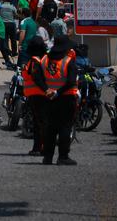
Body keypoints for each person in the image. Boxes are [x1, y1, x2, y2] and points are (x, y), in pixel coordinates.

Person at [30, 35, 78, 165]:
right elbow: (71, 82)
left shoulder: (44, 59)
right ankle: (63, 157)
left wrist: (47, 90)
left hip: (49, 99)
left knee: (50, 129)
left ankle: (48, 157)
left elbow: (36, 77)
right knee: (65, 127)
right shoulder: (68, 61)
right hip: (66, 98)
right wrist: (58, 92)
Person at [20, 36, 49, 155]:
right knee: (44, 122)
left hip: (37, 95)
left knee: (39, 124)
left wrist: (46, 89)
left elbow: (36, 77)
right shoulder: (46, 59)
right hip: (44, 95)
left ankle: (38, 148)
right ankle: (43, 147)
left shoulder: (34, 61)